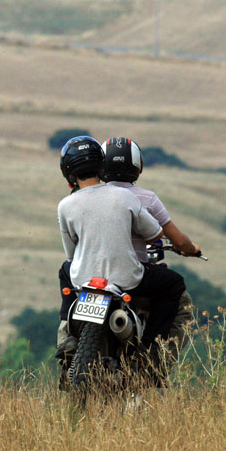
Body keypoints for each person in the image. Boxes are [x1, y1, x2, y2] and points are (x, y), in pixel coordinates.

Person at [56, 136, 186, 387]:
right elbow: (156, 233)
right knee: (173, 284)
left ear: (68, 173)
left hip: (83, 280)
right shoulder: (125, 197)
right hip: (127, 279)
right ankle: (149, 353)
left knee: (65, 271)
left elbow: (71, 254)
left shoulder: (65, 205)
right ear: (101, 166)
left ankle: (67, 338)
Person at [100, 137, 201, 353]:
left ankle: (67, 341)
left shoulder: (90, 197)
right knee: (177, 293)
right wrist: (192, 249)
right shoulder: (147, 199)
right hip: (133, 276)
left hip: (95, 274)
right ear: (137, 168)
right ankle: (152, 359)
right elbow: (177, 240)